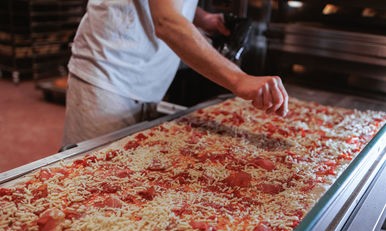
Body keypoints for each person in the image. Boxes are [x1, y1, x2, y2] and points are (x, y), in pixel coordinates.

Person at [62, 0, 288, 146]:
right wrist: (239, 79)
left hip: (143, 78)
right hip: (108, 76)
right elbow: (167, 22)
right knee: (90, 187)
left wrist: (201, 17)